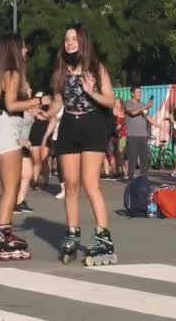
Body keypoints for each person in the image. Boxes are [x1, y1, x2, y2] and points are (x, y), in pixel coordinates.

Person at [46, 22, 116, 266]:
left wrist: (91, 91)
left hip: (92, 126)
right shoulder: (61, 71)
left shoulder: (97, 69)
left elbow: (110, 101)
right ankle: (72, 233)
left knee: (90, 182)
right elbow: (57, 101)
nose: (69, 43)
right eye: (66, 39)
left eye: (74, 39)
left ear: (83, 41)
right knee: (71, 184)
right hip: (68, 128)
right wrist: (46, 113)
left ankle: (103, 236)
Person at [0, 34, 44, 262]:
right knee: (11, 189)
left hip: (0, 133)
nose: (26, 51)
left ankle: (4, 232)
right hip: (8, 134)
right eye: (24, 47)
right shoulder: (13, 73)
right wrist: (39, 101)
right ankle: (2, 235)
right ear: (16, 50)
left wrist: (33, 110)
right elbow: (11, 105)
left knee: (9, 187)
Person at [124, 86, 159, 179]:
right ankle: (130, 176)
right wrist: (146, 106)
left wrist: (158, 124)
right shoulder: (128, 102)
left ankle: (144, 177)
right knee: (132, 157)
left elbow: (147, 116)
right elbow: (132, 112)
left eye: (140, 92)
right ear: (132, 93)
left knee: (144, 158)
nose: (140, 94)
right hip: (132, 135)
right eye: (137, 92)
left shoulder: (142, 103)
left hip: (143, 135)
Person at [29, 93, 55, 190]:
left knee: (44, 160)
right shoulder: (30, 109)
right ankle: (35, 181)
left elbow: (52, 119)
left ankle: (46, 180)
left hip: (45, 138)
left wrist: (41, 112)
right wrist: (34, 112)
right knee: (36, 161)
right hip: (34, 137)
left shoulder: (47, 110)